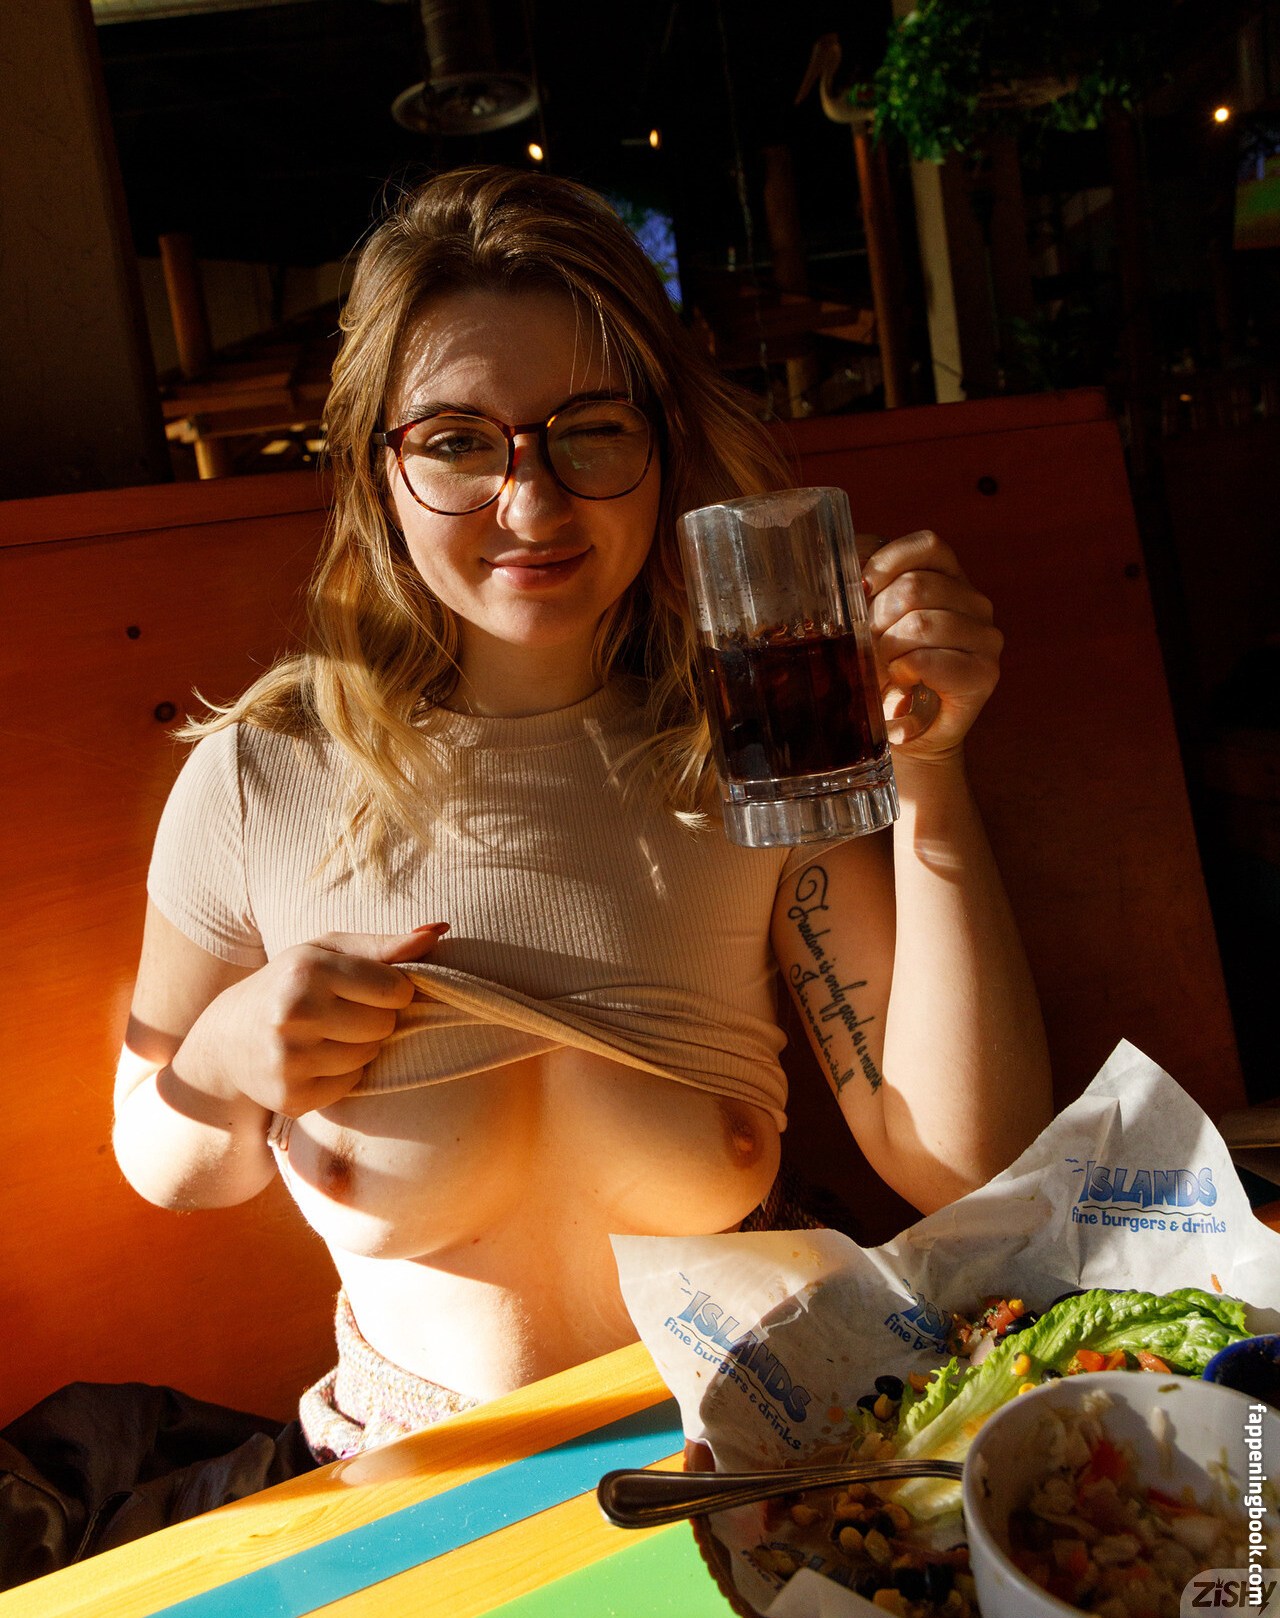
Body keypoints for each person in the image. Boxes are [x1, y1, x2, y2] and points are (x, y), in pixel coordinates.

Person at [113, 167, 1051, 1461]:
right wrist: (222, 1063)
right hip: (427, 1471)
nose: (533, 503)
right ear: (377, 471)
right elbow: (165, 1159)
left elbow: (960, 1159)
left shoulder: (757, 745)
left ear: (663, 447)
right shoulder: (260, 777)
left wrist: (929, 773)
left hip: (754, 1443)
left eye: (591, 429)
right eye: (457, 441)